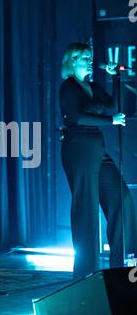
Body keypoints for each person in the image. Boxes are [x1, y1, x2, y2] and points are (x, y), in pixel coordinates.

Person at [59, 42, 137, 279]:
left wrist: (114, 78)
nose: (89, 60)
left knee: (120, 197)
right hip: (78, 148)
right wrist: (110, 121)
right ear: (71, 60)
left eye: (90, 57)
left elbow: (113, 106)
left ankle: (122, 263)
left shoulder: (92, 86)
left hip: (97, 149)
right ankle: (86, 273)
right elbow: (75, 116)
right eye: (84, 57)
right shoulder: (69, 88)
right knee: (86, 210)